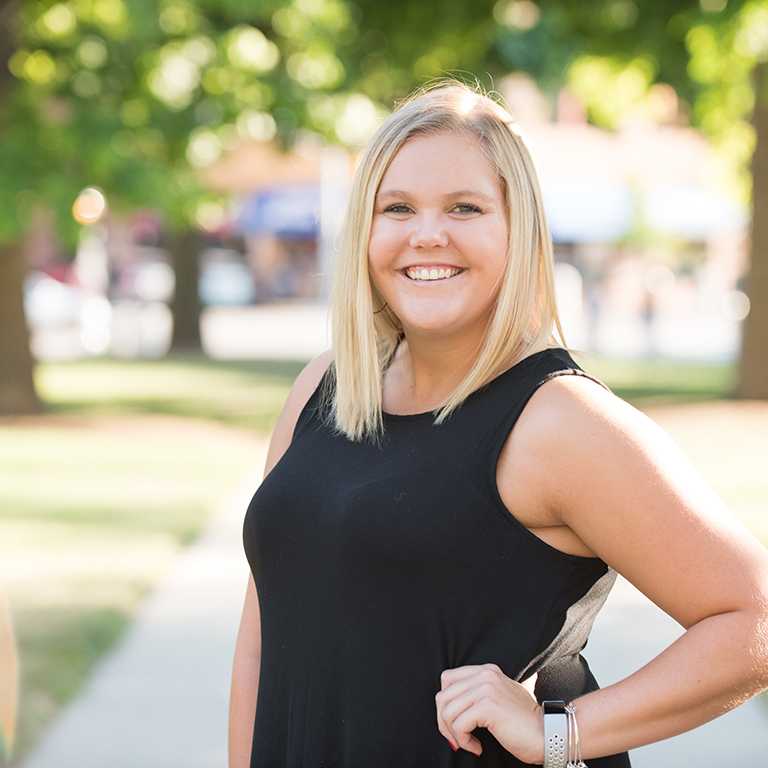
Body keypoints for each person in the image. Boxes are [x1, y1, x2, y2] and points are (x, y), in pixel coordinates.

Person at [228, 81, 768, 768]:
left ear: (518, 230)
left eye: (465, 207)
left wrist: (562, 731)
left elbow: (756, 616)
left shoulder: (559, 421)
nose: (428, 233)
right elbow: (261, 644)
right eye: (397, 207)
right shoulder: (323, 390)